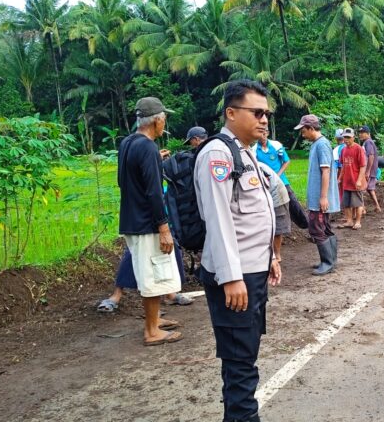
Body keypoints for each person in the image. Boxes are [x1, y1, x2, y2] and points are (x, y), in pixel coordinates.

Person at [194, 80, 282, 422]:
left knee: (245, 357)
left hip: (253, 272)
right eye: (256, 112)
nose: (264, 120)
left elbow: (252, 217)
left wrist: (270, 257)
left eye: (266, 113)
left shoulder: (246, 151)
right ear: (231, 113)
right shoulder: (218, 153)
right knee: (240, 364)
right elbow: (218, 221)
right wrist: (231, 278)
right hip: (236, 278)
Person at [117, 96, 183, 346]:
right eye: (163, 118)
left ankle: (154, 321)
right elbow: (154, 192)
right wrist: (163, 227)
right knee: (154, 275)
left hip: (131, 220)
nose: (164, 123)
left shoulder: (128, 143)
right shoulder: (148, 148)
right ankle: (151, 331)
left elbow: (124, 181)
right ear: (157, 120)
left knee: (149, 272)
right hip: (147, 224)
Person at [297, 114, 340, 275]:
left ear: (311, 128)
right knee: (325, 228)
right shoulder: (318, 144)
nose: (302, 134)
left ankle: (327, 262)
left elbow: (326, 171)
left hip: (319, 198)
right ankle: (331, 261)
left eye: (303, 130)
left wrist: (323, 197)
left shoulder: (321, 145)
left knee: (316, 228)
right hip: (319, 197)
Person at [252, 129, 308, 230]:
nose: (262, 136)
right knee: (270, 205)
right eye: (260, 134)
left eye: (264, 134)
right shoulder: (254, 150)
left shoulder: (276, 145)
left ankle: (307, 226)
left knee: (293, 202)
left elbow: (286, 161)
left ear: (267, 133)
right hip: (266, 182)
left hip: (281, 180)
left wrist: (277, 175)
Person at [258, 162, 291, 262]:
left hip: (278, 196)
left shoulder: (259, 168)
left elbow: (264, 187)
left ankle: (277, 256)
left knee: (277, 228)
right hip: (268, 195)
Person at [337, 128, 367, 230]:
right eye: (345, 137)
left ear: (353, 137)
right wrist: (340, 178)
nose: (346, 139)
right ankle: (349, 221)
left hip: (356, 182)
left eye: (348, 137)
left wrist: (359, 180)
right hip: (347, 181)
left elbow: (363, 166)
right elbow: (343, 166)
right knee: (346, 203)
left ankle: (358, 222)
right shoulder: (343, 150)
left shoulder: (359, 149)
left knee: (358, 203)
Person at [358, 125, 381, 213]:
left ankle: (363, 209)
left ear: (368, 134)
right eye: (360, 133)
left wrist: (367, 171)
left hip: (369, 170)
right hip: (371, 170)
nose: (360, 135)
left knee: (361, 189)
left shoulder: (368, 142)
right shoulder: (367, 142)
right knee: (370, 189)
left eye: (362, 133)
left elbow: (371, 156)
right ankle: (377, 206)